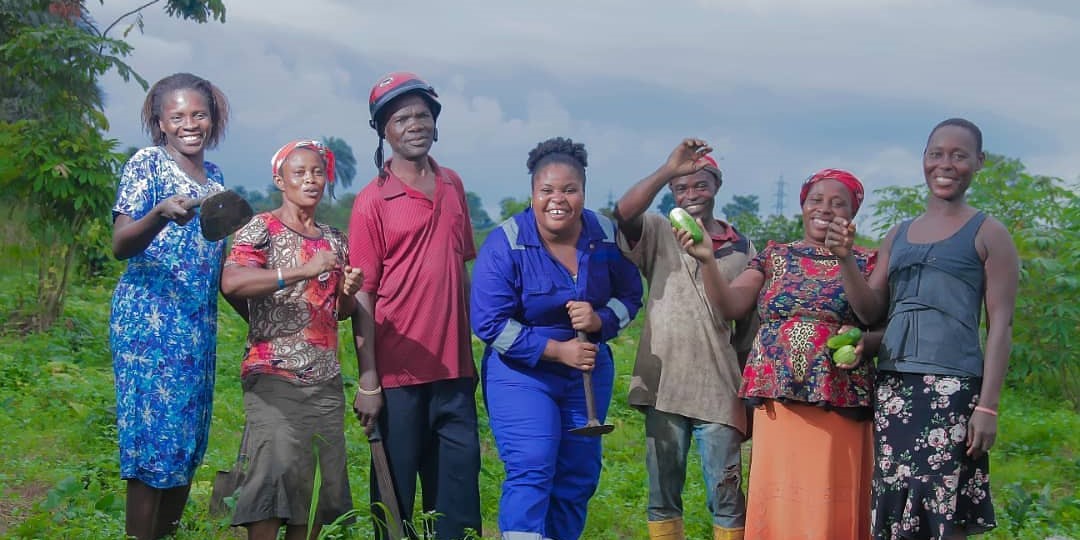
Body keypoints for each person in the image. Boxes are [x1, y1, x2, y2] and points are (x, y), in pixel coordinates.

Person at [826, 118, 1019, 539]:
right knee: (896, 498)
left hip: (954, 389)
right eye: (936, 154)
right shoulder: (899, 235)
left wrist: (988, 408)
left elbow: (1001, 325)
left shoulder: (989, 234)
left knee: (941, 503)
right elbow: (870, 309)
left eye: (959, 155)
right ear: (924, 160)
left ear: (979, 163)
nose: (945, 164)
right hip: (895, 386)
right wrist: (844, 260)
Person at [675, 157, 877, 540]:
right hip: (778, 398)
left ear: (853, 214)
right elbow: (732, 305)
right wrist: (705, 261)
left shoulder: (869, 260)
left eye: (839, 203)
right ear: (802, 205)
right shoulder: (774, 255)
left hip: (838, 400)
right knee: (782, 494)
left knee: (829, 495)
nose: (825, 209)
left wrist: (845, 258)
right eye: (816, 199)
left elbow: (873, 315)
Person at [471, 137, 643, 540]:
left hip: (586, 367)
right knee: (532, 464)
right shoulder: (507, 242)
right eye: (547, 190)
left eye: (569, 190)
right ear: (532, 193)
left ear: (584, 191)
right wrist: (556, 350)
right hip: (522, 372)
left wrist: (600, 321)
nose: (558, 200)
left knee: (578, 474)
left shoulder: (604, 235)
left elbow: (631, 296)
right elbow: (490, 323)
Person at [348, 71, 481, 539]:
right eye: (401, 118)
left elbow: (461, 270)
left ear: (436, 122)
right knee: (394, 507)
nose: (414, 124)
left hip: (454, 375)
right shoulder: (371, 202)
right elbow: (362, 291)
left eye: (422, 114)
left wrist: (470, 352)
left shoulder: (453, 186)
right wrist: (368, 379)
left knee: (458, 509)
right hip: (397, 376)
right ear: (384, 131)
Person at [109, 72, 232, 540]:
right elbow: (121, 243)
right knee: (152, 447)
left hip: (196, 328)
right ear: (160, 123)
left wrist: (263, 324)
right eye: (177, 116)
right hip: (149, 326)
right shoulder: (148, 164)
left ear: (212, 118)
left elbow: (216, 264)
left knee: (185, 446)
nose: (189, 124)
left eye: (198, 114)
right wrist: (159, 213)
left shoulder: (216, 179)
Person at [220, 140, 363, 540]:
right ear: (280, 180)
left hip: (324, 381)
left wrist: (348, 289)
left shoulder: (334, 239)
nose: (310, 180)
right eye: (299, 173)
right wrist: (299, 271)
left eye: (317, 172)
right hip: (272, 374)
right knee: (273, 474)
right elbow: (232, 281)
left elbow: (342, 312)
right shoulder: (261, 228)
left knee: (314, 487)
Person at [612, 139, 755, 540]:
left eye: (700, 185)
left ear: (717, 186)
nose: (691, 195)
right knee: (662, 495)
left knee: (727, 496)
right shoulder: (658, 231)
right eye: (681, 188)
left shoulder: (742, 247)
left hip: (720, 391)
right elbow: (622, 213)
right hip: (664, 387)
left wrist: (750, 396)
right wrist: (666, 170)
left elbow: (746, 330)